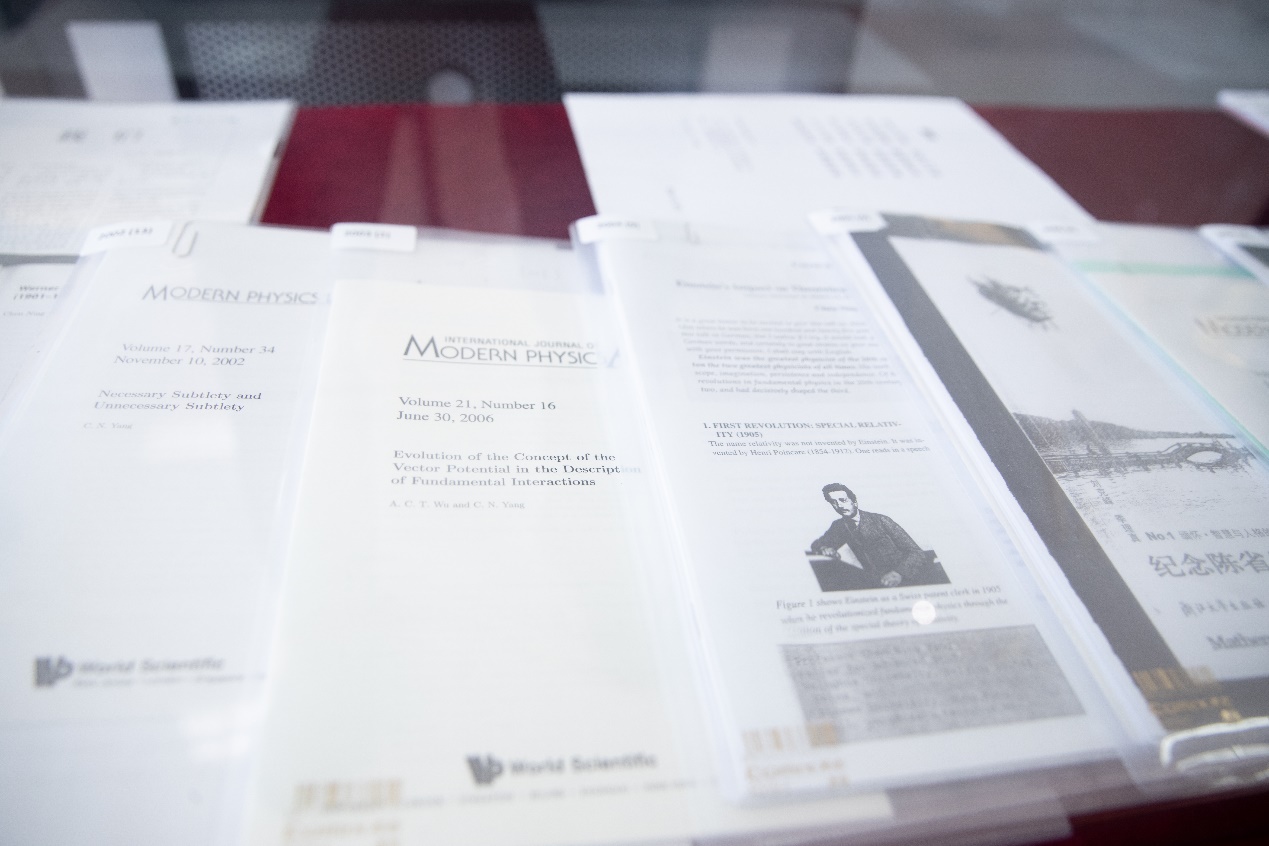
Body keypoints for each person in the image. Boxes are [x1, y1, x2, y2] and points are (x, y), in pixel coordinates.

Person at [808, 483, 942, 590]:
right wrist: (824, 548)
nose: (839, 505)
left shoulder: (881, 520)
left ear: (854, 501)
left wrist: (899, 573)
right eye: (834, 502)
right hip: (875, 584)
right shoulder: (839, 526)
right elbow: (817, 544)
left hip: (908, 582)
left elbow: (916, 552)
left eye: (843, 500)